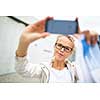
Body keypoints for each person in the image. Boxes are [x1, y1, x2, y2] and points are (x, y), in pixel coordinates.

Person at [15, 17, 78, 83]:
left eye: (67, 48)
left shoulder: (74, 69)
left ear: (70, 52)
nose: (62, 50)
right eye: (59, 45)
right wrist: (23, 43)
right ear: (54, 46)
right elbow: (22, 69)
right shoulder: (44, 68)